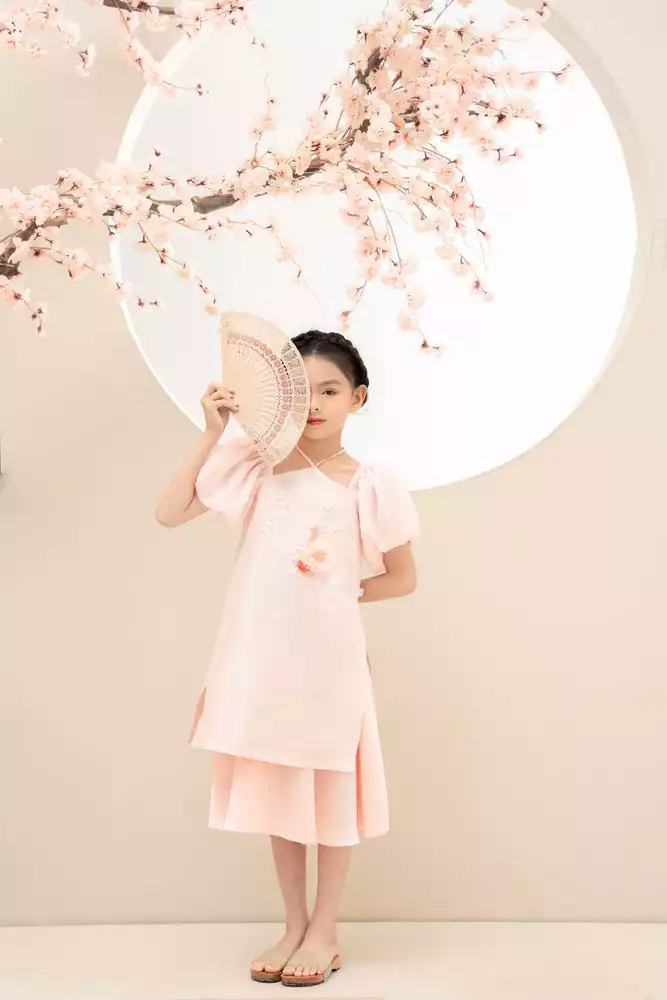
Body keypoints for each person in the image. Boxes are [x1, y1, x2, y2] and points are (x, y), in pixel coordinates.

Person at [155, 330, 419, 988]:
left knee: (330, 796)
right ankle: (293, 923)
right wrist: (212, 432)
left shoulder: (369, 485)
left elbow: (402, 577)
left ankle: (324, 930)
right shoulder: (255, 468)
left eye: (330, 390)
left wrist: (335, 591)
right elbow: (170, 511)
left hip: (328, 664)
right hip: (261, 661)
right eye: (302, 392)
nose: (315, 405)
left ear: (358, 398)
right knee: (281, 798)